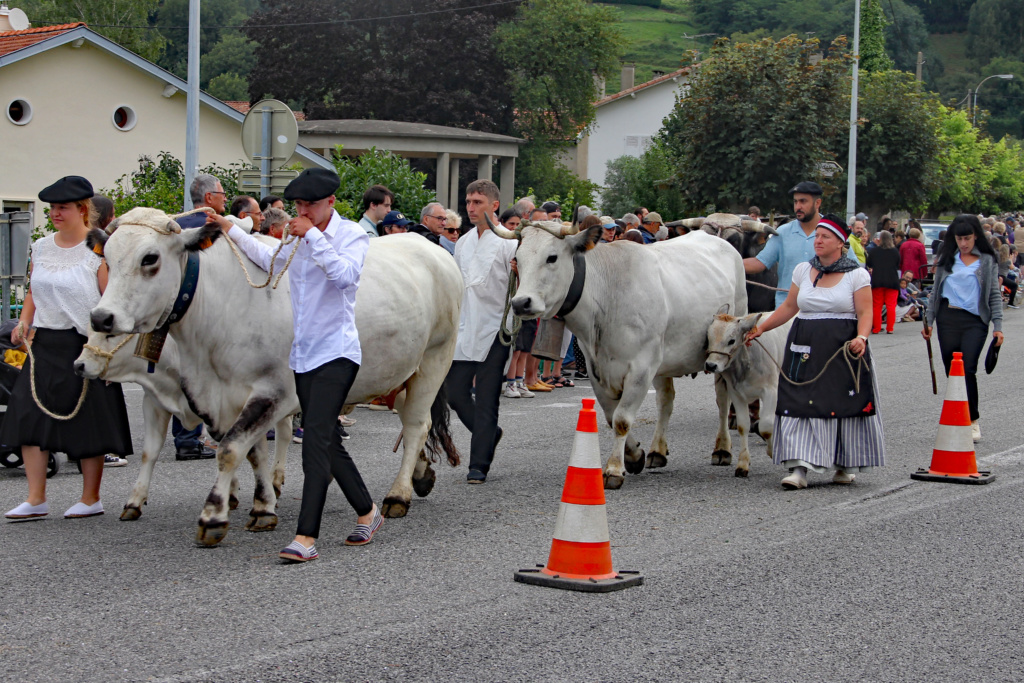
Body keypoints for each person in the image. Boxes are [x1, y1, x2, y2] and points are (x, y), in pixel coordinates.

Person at [217, 167, 381, 561]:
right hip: (304, 353)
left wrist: (315, 237)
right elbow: (269, 258)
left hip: (337, 353)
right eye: (298, 205)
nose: (301, 211)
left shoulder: (350, 235)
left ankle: (306, 537)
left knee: (315, 445)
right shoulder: (298, 235)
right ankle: (368, 511)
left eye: (310, 204)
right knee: (326, 439)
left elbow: (345, 277)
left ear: (331, 203)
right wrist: (231, 229)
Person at [4, 176, 133, 520]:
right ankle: (36, 499)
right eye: (52, 208)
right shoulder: (43, 246)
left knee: (88, 420)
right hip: (44, 342)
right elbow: (33, 289)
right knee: (28, 417)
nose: (55, 214)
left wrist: (111, 351)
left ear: (82, 209)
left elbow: (111, 301)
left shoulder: (100, 247)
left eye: (62, 208)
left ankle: (91, 499)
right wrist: (24, 322)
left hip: (86, 345)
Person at [744, 214, 883, 490]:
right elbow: (789, 308)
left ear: (840, 243)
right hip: (804, 344)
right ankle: (799, 468)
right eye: (817, 236)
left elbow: (866, 311)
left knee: (842, 406)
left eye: (825, 237)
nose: (817, 241)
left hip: (842, 349)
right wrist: (761, 327)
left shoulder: (856, 274)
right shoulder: (801, 271)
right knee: (798, 402)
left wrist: (862, 337)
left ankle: (844, 464)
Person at [446, 179, 517, 484]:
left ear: (494, 205)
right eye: (469, 201)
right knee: (454, 392)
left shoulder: (508, 242)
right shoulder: (462, 243)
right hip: (465, 327)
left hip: (495, 328)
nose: (471, 208)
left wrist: (520, 268)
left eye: (478, 202)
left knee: (487, 397)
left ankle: (479, 464)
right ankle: (489, 433)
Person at [923, 214, 1003, 443]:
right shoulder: (947, 258)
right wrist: (929, 322)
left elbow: (994, 294)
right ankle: (958, 416)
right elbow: (935, 293)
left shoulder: (987, 259)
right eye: (959, 239)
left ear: (976, 236)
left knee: (967, 368)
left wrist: (998, 326)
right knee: (952, 371)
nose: (964, 243)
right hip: (948, 318)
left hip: (975, 320)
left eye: (967, 238)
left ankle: (973, 420)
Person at [170, 175, 223, 460]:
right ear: (209, 197)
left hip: (173, 316)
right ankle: (207, 434)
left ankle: (185, 438)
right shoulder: (212, 229)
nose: (225, 198)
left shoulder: (174, 226)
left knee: (181, 376)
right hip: (207, 316)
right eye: (222, 193)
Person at [744, 181, 822, 309]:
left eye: (803, 201)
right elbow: (760, 263)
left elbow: (852, 269)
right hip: (785, 312)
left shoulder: (832, 232)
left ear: (817, 203)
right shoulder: (782, 233)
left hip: (822, 311)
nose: (798, 206)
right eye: (795, 202)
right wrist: (728, 264)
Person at [866, 230, 901, 334]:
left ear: (880, 239)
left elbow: (869, 263)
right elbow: (898, 264)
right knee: (891, 306)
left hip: (878, 280)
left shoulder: (874, 251)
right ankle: (890, 328)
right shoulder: (895, 251)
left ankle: (876, 328)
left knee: (877, 306)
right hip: (892, 281)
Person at [998, 244, 1018, 308]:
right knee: (1014, 285)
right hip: (1003, 276)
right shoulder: (1007, 260)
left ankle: (1003, 296)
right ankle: (1011, 302)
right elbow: (1012, 268)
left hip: (998, 275)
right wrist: (1011, 259)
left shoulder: (998, 257)